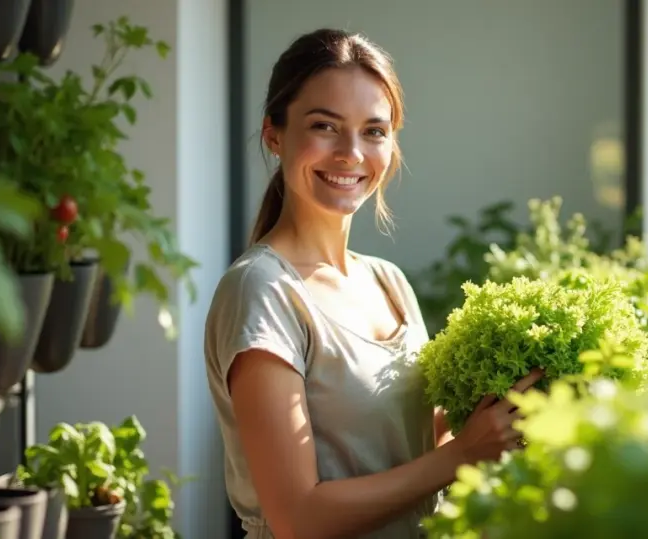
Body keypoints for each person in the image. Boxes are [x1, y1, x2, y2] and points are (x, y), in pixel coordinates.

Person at [203, 28, 543, 539]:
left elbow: (410, 443)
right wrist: (462, 454)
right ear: (274, 134)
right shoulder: (263, 291)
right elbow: (298, 518)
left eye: (374, 131)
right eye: (324, 126)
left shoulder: (388, 282)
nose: (351, 153)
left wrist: (508, 405)